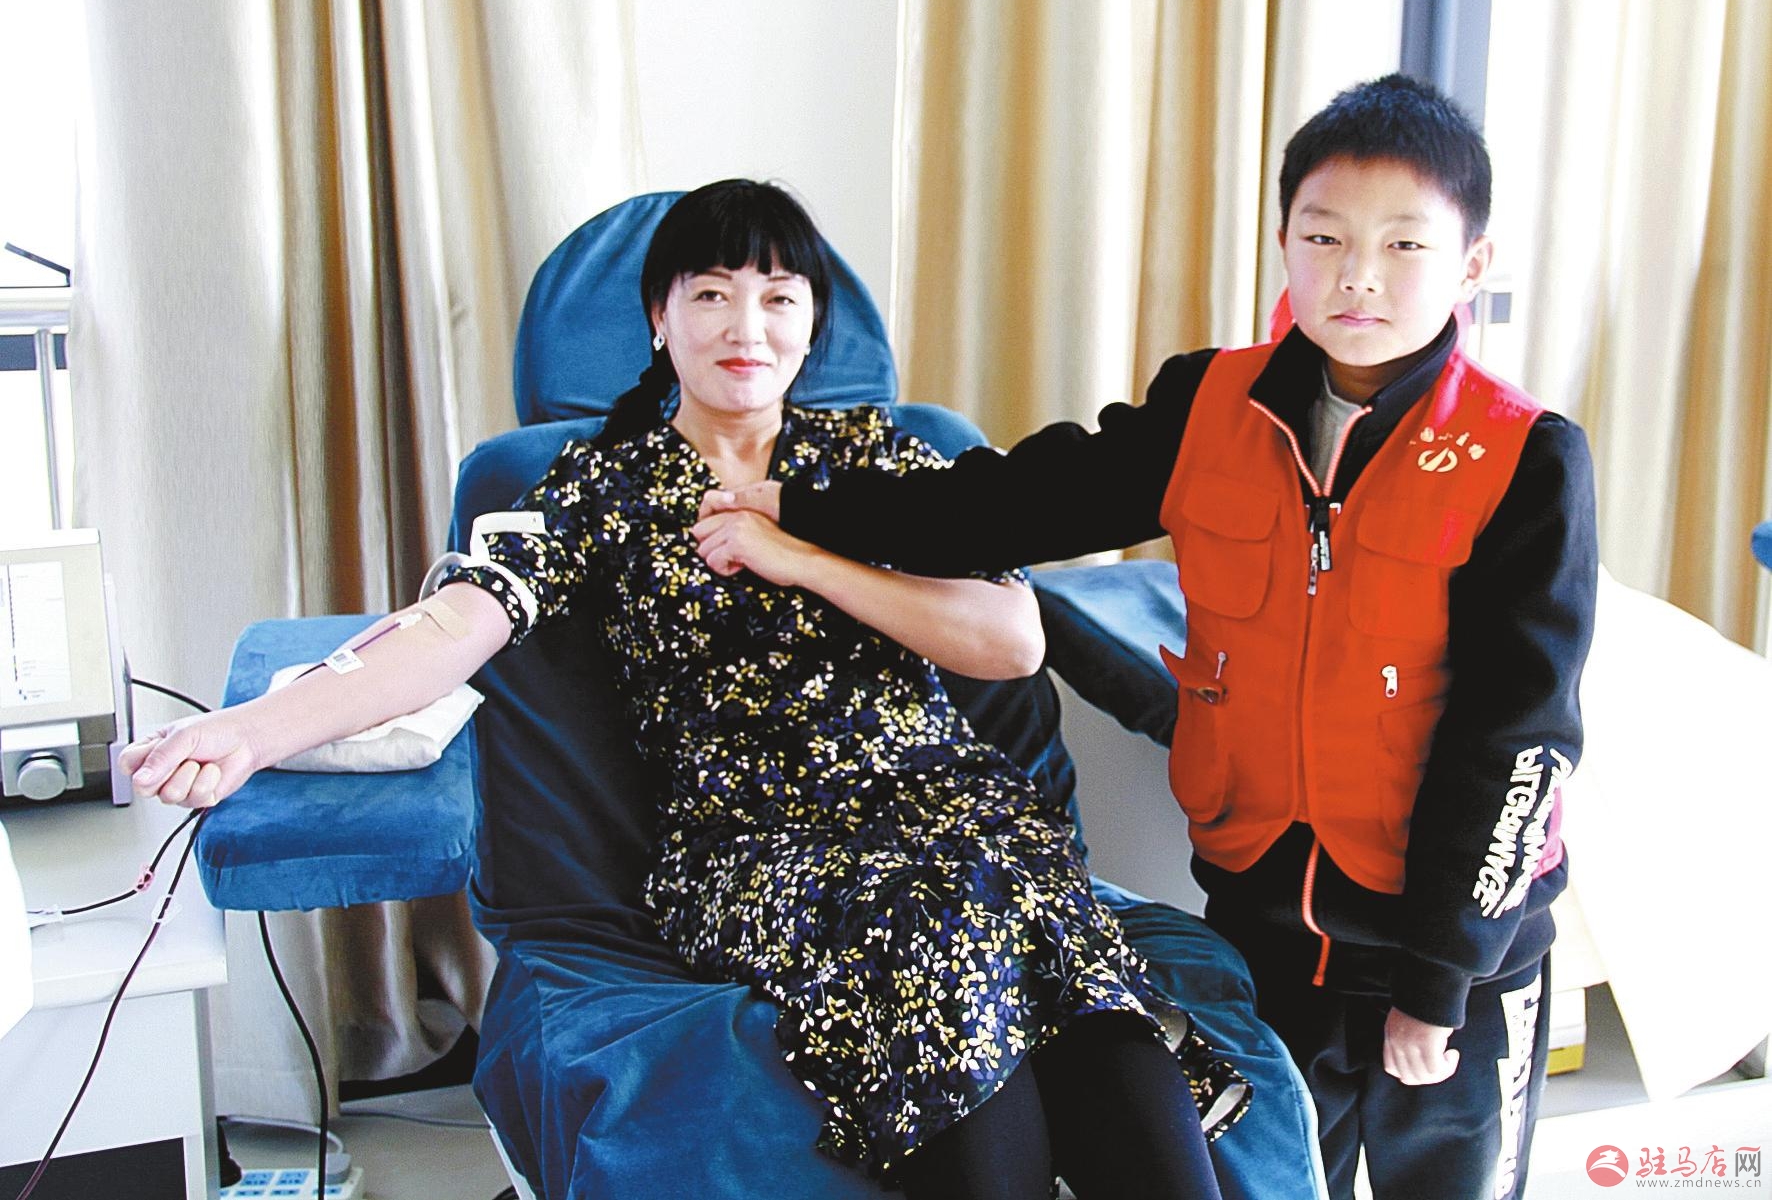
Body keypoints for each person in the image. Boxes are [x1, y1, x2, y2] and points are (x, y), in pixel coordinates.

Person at [122, 179, 1246, 1199]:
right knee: (941, 939)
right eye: (710, 294)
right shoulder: (597, 484)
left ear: (812, 325)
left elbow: (1008, 639)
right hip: (764, 842)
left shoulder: (884, 462)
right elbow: (452, 625)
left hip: (955, 814)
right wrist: (253, 730)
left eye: (777, 297)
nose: (745, 326)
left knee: (1092, 1006)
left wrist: (801, 555)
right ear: (659, 319)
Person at [701, 79, 1599, 1200]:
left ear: (1471, 264)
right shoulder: (1209, 404)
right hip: (1265, 921)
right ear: (1283, 241)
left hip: (1451, 947)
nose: (1356, 276)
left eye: (1403, 244)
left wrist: (1439, 978)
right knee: (1275, 1180)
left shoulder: (1525, 459)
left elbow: (1517, 739)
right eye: (1323, 237)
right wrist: (804, 510)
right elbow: (1008, 505)